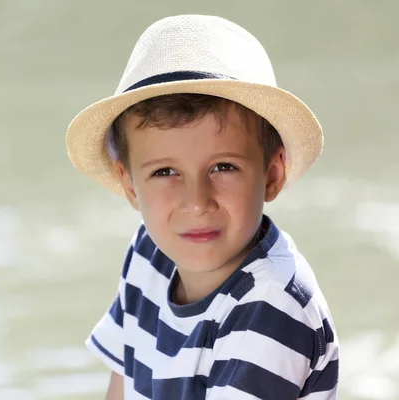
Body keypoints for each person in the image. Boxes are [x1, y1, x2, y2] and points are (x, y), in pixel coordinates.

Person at [65, 14, 339, 400]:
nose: (196, 202)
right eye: (164, 172)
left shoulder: (272, 307)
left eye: (223, 167)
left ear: (272, 175)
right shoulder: (150, 253)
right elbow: (120, 389)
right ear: (130, 185)